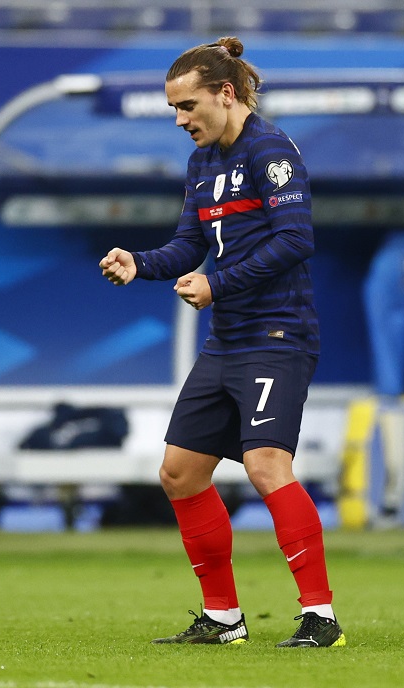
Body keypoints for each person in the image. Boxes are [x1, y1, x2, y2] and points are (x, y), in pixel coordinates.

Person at [99, 36, 343, 648]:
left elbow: (295, 240)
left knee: (266, 465)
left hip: (278, 334)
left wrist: (218, 283)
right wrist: (141, 262)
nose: (180, 120)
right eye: (174, 110)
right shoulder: (202, 162)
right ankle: (224, 620)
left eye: (187, 106)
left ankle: (321, 617)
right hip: (228, 339)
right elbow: (189, 244)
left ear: (225, 93)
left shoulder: (271, 150)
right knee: (179, 473)